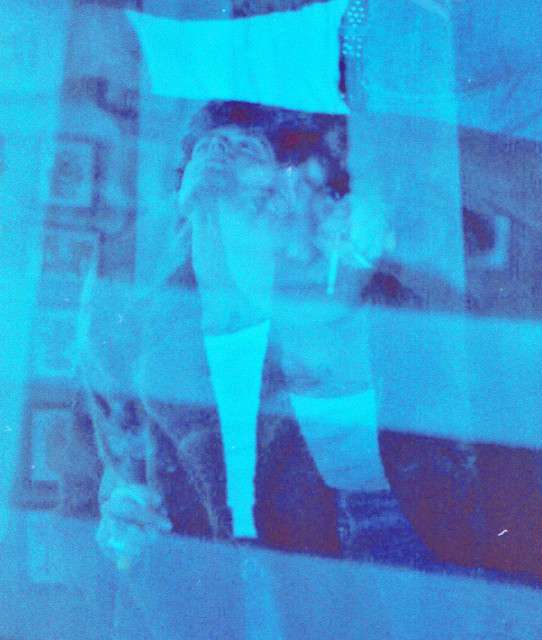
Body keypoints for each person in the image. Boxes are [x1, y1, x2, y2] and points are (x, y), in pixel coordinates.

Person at [78, 100, 431, 579]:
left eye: (246, 150)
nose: (218, 156)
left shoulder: (360, 311)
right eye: (206, 147)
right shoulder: (124, 339)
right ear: (193, 200)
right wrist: (120, 527)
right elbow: (105, 499)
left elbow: (425, 509)